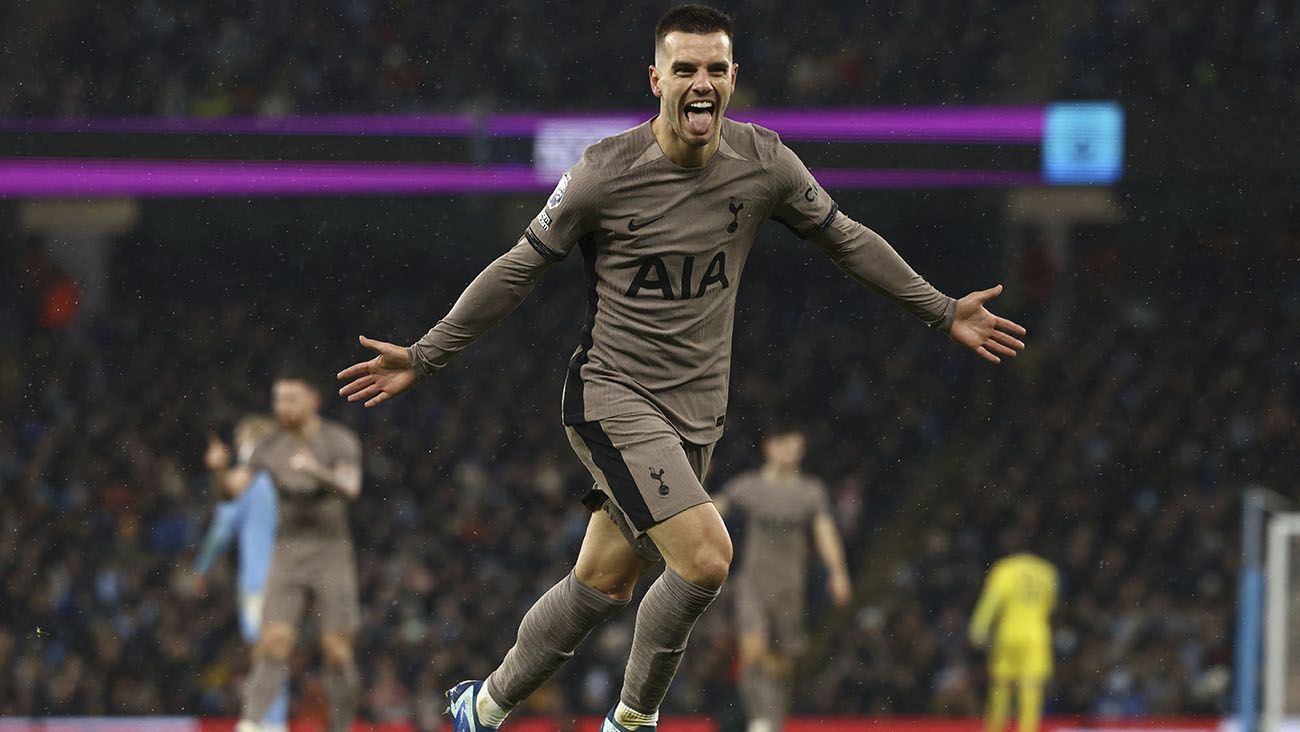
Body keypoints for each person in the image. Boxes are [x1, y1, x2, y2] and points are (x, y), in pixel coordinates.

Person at [337, 5, 1027, 732]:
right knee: (704, 560)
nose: (701, 83)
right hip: (611, 396)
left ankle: (482, 706)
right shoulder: (603, 172)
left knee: (601, 582)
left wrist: (942, 309)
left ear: (733, 78)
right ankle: (631, 723)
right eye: (685, 69)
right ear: (656, 79)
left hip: (698, 412)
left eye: (714, 70)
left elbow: (846, 238)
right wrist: (425, 353)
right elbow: (518, 268)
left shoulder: (764, 163)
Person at [210, 371, 364, 732]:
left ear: (313, 401)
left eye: (291, 399)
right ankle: (250, 724)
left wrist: (316, 471)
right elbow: (232, 491)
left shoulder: (337, 440)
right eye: (278, 399)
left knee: (337, 652)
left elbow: (351, 488)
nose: (283, 407)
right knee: (273, 643)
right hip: (288, 552)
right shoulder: (271, 446)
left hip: (331, 552)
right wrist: (219, 471)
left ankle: (342, 727)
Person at [714, 429, 851, 732]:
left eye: (797, 446)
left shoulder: (809, 491)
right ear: (770, 446)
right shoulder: (750, 486)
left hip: (790, 589)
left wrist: (838, 571)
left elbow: (824, 530)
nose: (792, 452)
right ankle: (760, 721)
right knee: (752, 650)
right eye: (786, 444)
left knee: (781, 664)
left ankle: (773, 722)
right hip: (753, 584)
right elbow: (715, 508)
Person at [196, 415, 289, 729]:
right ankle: (270, 719)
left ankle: (264, 722)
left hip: (260, 584)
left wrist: (202, 568)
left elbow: (222, 531)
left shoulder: (248, 481)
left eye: (242, 444)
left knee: (266, 651)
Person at [969, 551, 1059, 732]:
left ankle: (994, 729)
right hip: (1036, 635)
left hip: (1008, 633)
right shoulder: (1047, 571)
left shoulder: (1004, 569)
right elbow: (1051, 606)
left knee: (1000, 685)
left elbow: (991, 601)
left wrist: (978, 627)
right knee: (1031, 687)